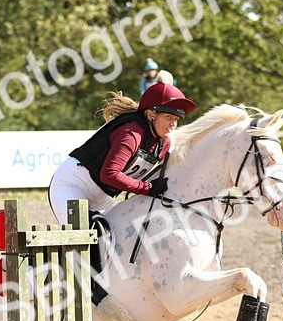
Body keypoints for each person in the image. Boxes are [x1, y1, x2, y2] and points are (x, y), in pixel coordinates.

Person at [47, 82, 196, 223]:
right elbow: (109, 174)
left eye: (176, 119)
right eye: (168, 117)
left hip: (102, 196)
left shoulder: (163, 144)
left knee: (122, 233)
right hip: (73, 185)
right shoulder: (131, 133)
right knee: (85, 236)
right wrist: (147, 188)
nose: (173, 124)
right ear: (151, 114)